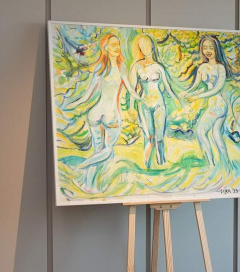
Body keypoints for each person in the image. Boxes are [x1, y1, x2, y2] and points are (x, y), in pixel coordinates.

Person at [63, 31, 136, 189]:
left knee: (99, 152)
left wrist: (73, 104)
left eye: (118, 44)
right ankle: (82, 168)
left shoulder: (105, 67)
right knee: (106, 151)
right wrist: (74, 103)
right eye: (113, 44)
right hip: (111, 115)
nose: (117, 47)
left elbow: (88, 95)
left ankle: (90, 185)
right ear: (106, 48)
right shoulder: (115, 67)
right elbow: (130, 89)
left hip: (96, 113)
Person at [129, 34, 181, 167]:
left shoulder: (159, 67)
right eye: (142, 46)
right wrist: (131, 107)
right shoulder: (136, 67)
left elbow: (168, 87)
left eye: (147, 44)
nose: (145, 48)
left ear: (152, 45)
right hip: (144, 104)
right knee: (149, 137)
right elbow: (132, 89)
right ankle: (146, 165)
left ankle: (161, 162)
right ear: (139, 48)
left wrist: (177, 100)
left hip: (159, 104)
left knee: (160, 137)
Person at [186, 35, 233, 170]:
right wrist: (188, 93)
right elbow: (196, 86)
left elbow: (216, 89)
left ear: (216, 49)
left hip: (219, 106)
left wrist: (198, 97)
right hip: (213, 106)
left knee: (200, 131)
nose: (208, 51)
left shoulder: (220, 67)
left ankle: (212, 165)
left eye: (211, 48)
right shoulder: (202, 67)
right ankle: (227, 166)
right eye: (205, 48)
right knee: (216, 134)